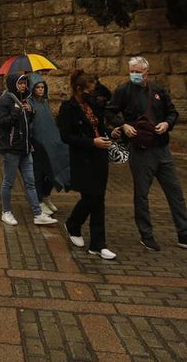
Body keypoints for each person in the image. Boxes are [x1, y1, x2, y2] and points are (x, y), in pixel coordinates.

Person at [107, 55, 187, 253]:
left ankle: (185, 234)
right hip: (141, 149)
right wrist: (123, 125)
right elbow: (110, 112)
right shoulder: (123, 90)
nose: (134, 74)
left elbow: (172, 112)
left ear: (147, 72)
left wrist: (167, 123)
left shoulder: (158, 90)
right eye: (132, 71)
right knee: (142, 194)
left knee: (175, 192)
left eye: (138, 71)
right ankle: (146, 235)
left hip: (161, 148)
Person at [57, 70, 119, 260]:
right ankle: (73, 224)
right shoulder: (68, 108)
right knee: (91, 198)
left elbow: (99, 126)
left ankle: (97, 244)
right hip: (83, 158)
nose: (92, 93)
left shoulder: (92, 105)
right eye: (88, 90)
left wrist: (111, 132)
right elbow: (66, 136)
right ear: (78, 89)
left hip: (99, 156)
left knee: (98, 198)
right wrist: (92, 142)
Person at [0, 73, 57, 226]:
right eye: (20, 83)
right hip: (11, 148)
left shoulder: (23, 100)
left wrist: (30, 111)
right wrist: (16, 111)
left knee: (30, 182)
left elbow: (26, 125)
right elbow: (1, 123)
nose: (23, 86)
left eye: (24, 83)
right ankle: (6, 212)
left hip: (25, 148)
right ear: (13, 84)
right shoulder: (4, 100)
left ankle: (37, 213)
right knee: (8, 182)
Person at [29, 77, 70, 213]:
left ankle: (46, 196)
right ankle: (39, 201)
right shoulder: (29, 103)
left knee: (52, 171)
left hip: (51, 142)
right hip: (38, 144)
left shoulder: (44, 103)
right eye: (37, 87)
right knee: (39, 173)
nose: (40, 90)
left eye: (42, 87)